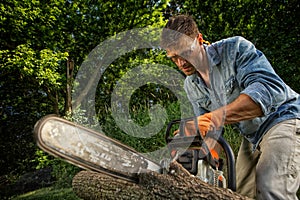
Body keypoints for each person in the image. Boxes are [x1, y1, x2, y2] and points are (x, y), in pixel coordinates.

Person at [160, 14, 300, 199]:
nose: (181, 63)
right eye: (174, 58)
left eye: (186, 52)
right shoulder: (191, 85)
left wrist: (210, 118)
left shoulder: (234, 49)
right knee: (239, 193)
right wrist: (193, 150)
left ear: (199, 39)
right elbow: (210, 132)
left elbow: (266, 91)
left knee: (270, 187)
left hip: (283, 119)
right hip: (252, 137)